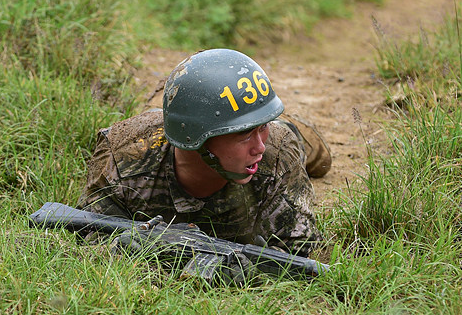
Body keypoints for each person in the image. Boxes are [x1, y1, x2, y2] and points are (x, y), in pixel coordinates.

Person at [76, 49, 332, 257]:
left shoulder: (276, 151)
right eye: (243, 134)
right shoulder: (123, 155)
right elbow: (89, 233)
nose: (259, 147)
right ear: (197, 140)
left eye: (261, 128)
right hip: (174, 127)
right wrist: (130, 249)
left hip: (283, 135)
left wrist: (245, 271)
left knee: (319, 161)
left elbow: (301, 250)